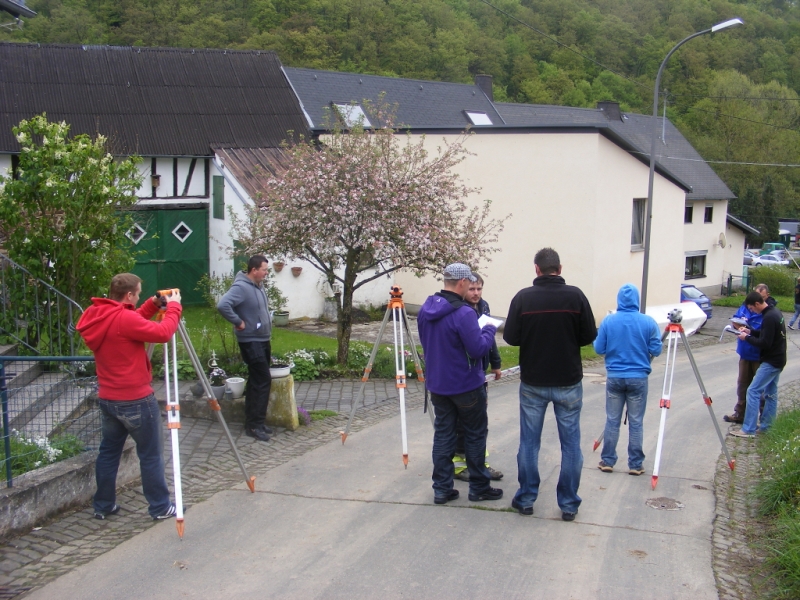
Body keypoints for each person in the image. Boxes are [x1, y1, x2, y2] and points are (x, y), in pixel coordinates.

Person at [76, 273, 182, 521]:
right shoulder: (123, 318)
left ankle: (103, 505)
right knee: (151, 455)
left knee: (108, 453)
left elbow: (130, 320)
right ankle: (160, 507)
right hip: (135, 400)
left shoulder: (99, 314)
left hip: (108, 399)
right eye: (138, 293)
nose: (138, 297)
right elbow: (163, 332)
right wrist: (174, 307)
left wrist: (153, 304)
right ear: (129, 295)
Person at [504, 247, 597, 520]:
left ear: (536, 269)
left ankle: (527, 498)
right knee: (570, 445)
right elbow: (588, 335)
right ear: (560, 268)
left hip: (533, 380)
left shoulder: (523, 298)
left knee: (529, 443)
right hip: (568, 380)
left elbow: (511, 337)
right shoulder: (576, 296)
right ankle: (568, 504)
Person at [417, 263, 501, 505]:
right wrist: (487, 330)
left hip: (438, 384)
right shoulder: (464, 313)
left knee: (443, 436)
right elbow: (477, 350)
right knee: (475, 435)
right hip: (466, 386)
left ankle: (442, 489)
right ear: (462, 283)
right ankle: (479, 487)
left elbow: (428, 343)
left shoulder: (426, 308)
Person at [593, 284, 662, 476]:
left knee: (612, 420)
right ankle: (635, 464)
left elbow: (599, 349)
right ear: (637, 300)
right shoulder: (648, 322)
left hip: (615, 376)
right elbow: (656, 349)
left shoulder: (609, 321)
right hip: (638, 377)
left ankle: (607, 460)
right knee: (636, 422)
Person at [217, 255, 274, 442]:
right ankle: (254, 426)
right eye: (264, 270)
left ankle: (257, 421)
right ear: (254, 270)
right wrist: (238, 322)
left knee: (258, 380)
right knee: (262, 379)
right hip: (250, 340)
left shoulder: (258, 285)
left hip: (262, 338)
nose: (266, 273)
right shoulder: (241, 287)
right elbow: (223, 305)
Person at [453, 274, 503, 482]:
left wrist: (496, 363)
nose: (475, 294)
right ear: (464, 287)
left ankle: (480, 464)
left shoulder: (483, 306)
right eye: (472, 289)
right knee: (462, 424)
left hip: (480, 372)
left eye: (479, 289)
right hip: (463, 372)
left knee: (480, 420)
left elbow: (489, 339)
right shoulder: (459, 310)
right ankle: (459, 466)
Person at [730, 291, 787, 438]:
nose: (751, 311)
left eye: (752, 309)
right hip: (779, 359)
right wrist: (751, 331)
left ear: (756, 304)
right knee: (771, 394)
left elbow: (765, 343)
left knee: (753, 391)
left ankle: (748, 429)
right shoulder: (775, 312)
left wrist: (746, 337)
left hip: (771, 361)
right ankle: (768, 426)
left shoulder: (768, 317)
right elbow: (765, 333)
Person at [723, 299, 762, 424]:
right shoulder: (744, 307)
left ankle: (763, 418)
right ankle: (740, 414)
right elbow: (736, 318)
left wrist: (749, 331)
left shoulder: (767, 313)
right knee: (742, 384)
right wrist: (737, 325)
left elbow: (764, 334)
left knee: (759, 388)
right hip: (745, 352)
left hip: (759, 355)